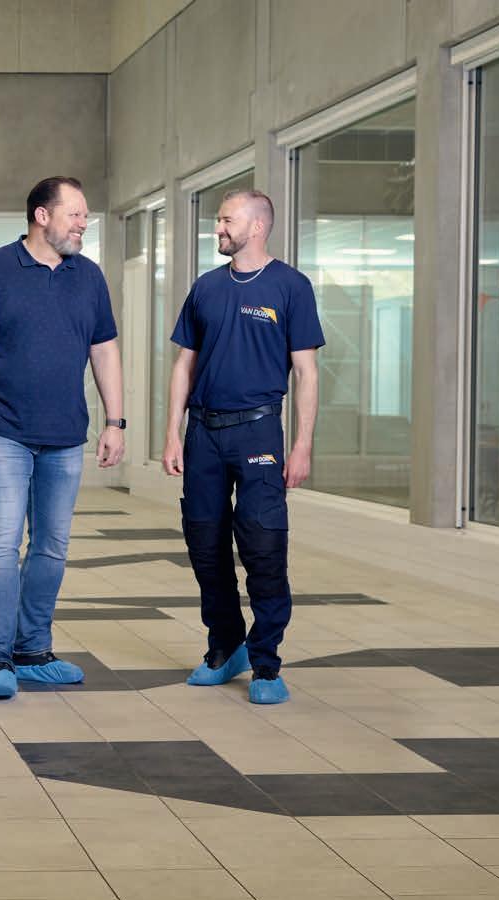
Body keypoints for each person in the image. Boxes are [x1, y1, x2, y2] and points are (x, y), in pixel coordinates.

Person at [0, 175, 125, 701]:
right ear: (42, 216)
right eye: (75, 214)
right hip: (1, 430)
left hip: (65, 434)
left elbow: (104, 350)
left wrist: (116, 421)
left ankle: (33, 651)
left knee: (51, 544)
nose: (84, 223)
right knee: (2, 539)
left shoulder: (89, 277)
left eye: (85, 215)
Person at [162, 189, 322, 705]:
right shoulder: (206, 288)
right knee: (205, 545)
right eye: (218, 220)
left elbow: (306, 372)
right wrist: (172, 432)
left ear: (256, 227)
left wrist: (302, 444)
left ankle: (266, 663)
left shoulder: (291, 286)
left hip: (259, 432)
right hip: (203, 433)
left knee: (263, 546)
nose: (218, 229)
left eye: (226, 220)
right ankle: (225, 646)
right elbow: (184, 364)